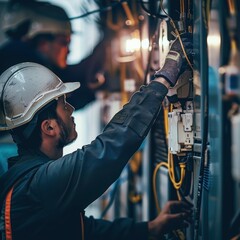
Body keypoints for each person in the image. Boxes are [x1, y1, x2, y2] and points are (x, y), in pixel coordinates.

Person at [0, 32, 193, 240]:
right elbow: (108, 149)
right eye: (64, 105)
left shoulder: (25, 180)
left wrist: (151, 229)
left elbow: (83, 232)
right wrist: (163, 79)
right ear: (49, 128)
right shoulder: (38, 186)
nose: (72, 109)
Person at [0, 0, 95, 109]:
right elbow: (53, 106)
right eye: (64, 43)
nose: (69, 51)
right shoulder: (20, 67)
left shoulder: (25, 59)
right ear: (43, 43)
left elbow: (69, 76)